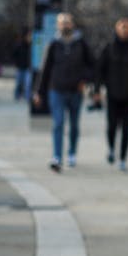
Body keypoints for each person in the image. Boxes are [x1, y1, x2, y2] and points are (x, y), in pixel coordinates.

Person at [33, 12, 94, 171]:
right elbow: (45, 69)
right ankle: (57, 157)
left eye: (67, 22)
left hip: (76, 91)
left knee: (74, 124)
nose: (65, 25)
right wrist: (38, 92)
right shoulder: (53, 44)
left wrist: (85, 81)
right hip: (57, 90)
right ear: (58, 25)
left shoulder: (81, 43)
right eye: (62, 22)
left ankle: (72, 153)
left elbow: (92, 65)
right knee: (58, 123)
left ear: (72, 24)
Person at [92, 17, 128, 171]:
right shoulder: (109, 47)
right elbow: (99, 70)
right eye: (121, 27)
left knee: (126, 128)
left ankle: (122, 158)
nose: (124, 30)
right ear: (116, 29)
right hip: (112, 95)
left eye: (127, 27)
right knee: (111, 126)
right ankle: (111, 149)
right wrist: (96, 91)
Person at [12, 29, 32, 101]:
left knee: (28, 84)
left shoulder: (32, 45)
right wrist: (16, 63)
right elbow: (14, 54)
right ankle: (17, 95)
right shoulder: (19, 45)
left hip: (28, 67)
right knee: (19, 83)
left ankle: (27, 97)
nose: (30, 38)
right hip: (20, 66)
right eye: (29, 36)